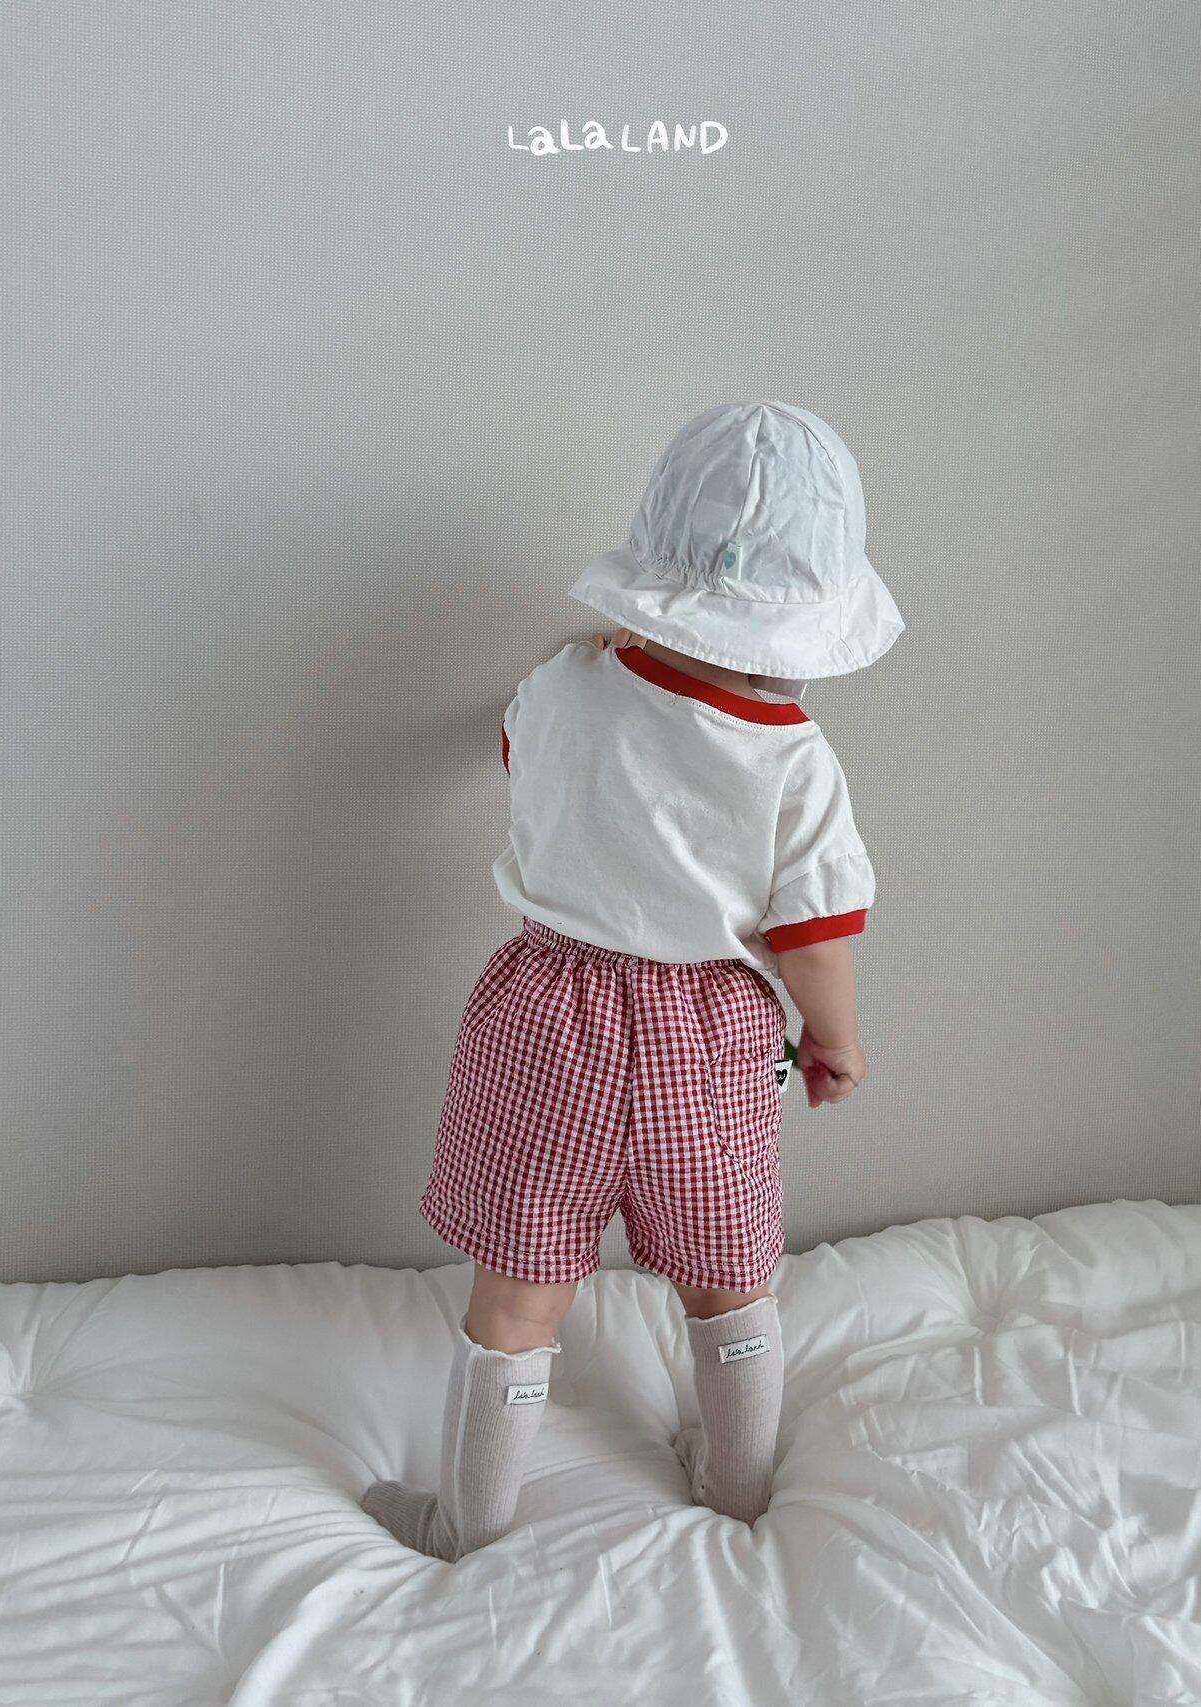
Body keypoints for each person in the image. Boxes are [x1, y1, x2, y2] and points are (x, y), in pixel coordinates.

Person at [361, 399, 905, 1560]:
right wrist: (833, 1039)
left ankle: (469, 1521)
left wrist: (607, 672)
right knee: (726, 1276)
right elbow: (811, 938)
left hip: (542, 1014)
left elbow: (521, 760)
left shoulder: (562, 685)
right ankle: (739, 1489)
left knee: (516, 1292)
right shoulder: (794, 762)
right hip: (704, 1039)